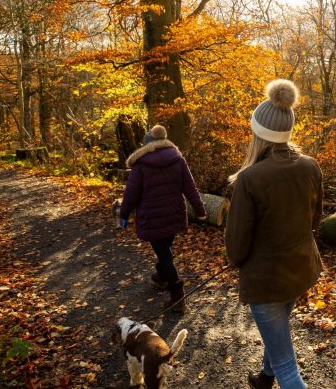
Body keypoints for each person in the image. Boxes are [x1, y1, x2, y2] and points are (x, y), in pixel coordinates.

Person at [225, 80, 323, 389]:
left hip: (266, 282)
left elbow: (236, 245)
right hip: (299, 271)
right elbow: (314, 220)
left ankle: (273, 374)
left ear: (258, 134)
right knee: (277, 333)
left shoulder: (249, 179)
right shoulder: (310, 166)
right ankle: (265, 379)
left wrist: (235, 260)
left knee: (287, 364)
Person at [119, 124, 207, 312]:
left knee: (164, 254)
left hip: (152, 218)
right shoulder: (177, 159)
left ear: (148, 144)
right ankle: (160, 277)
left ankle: (177, 297)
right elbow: (190, 187)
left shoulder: (141, 164)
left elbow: (131, 195)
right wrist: (200, 210)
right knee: (164, 250)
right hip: (174, 215)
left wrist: (123, 214)